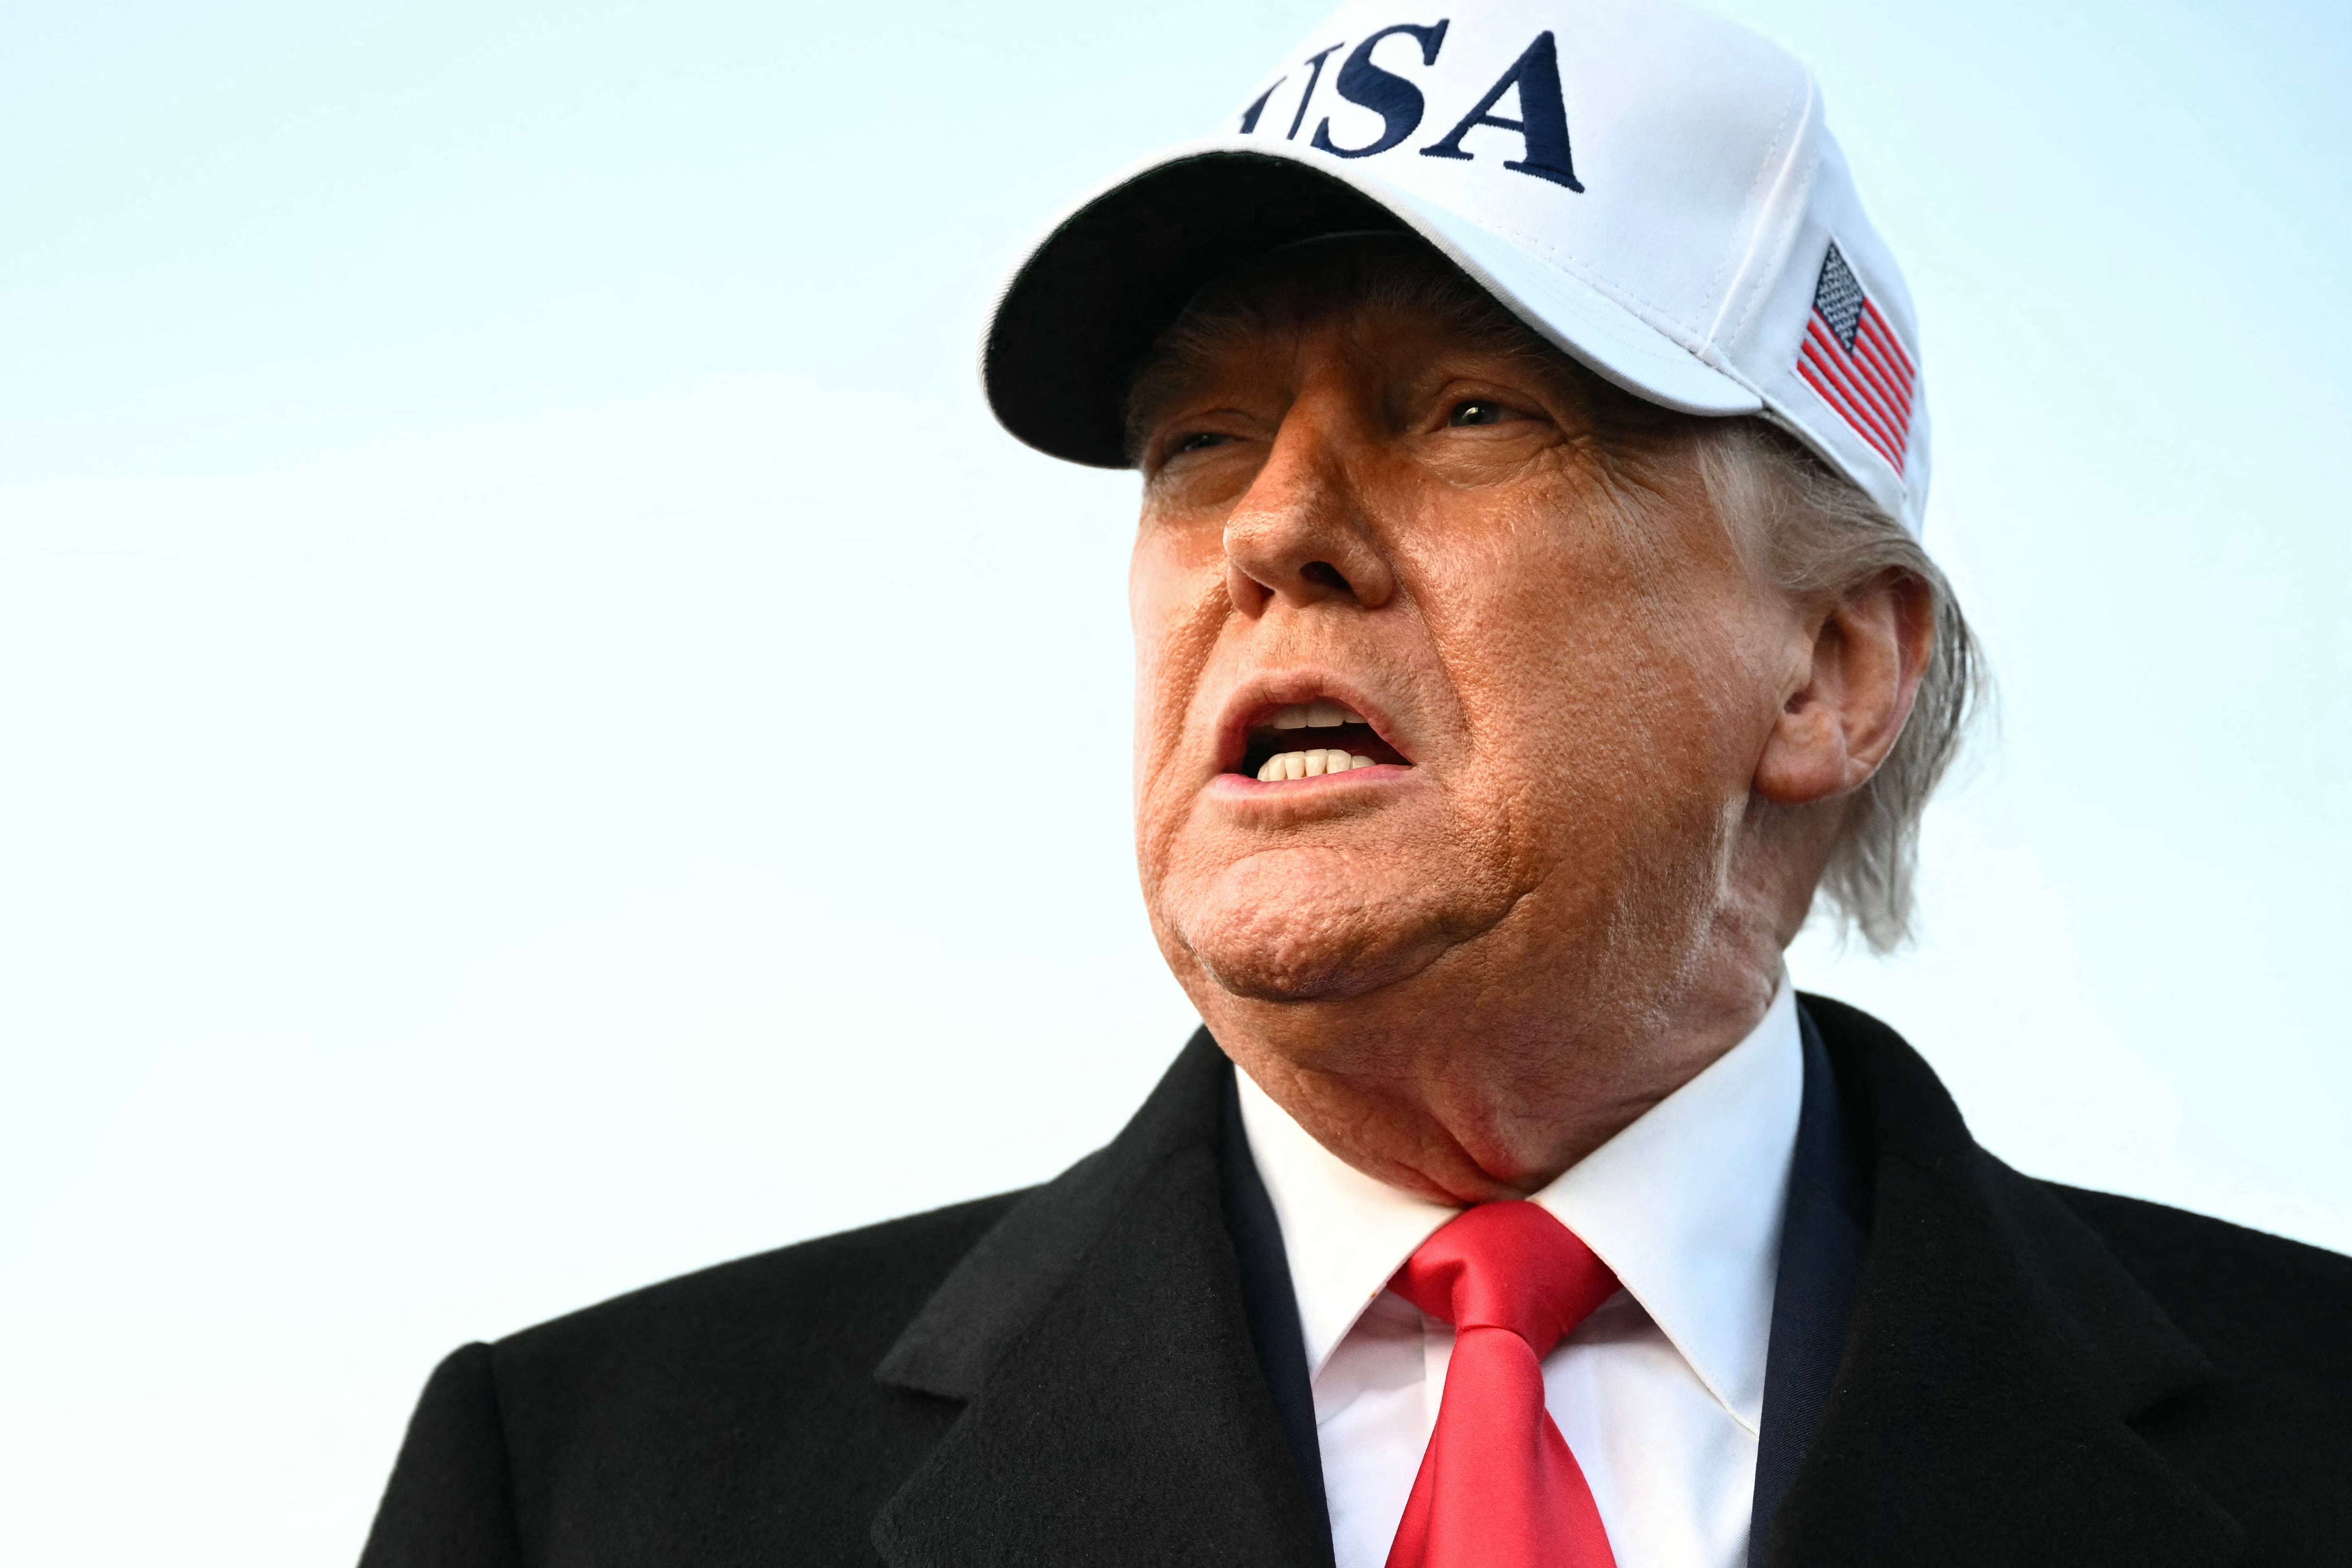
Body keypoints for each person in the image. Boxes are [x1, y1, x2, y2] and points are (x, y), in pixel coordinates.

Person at [358, 1, 2352, 1564]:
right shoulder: (582, 1489)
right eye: (1200, 440)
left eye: (1467, 410)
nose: (1275, 528)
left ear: (1829, 668)